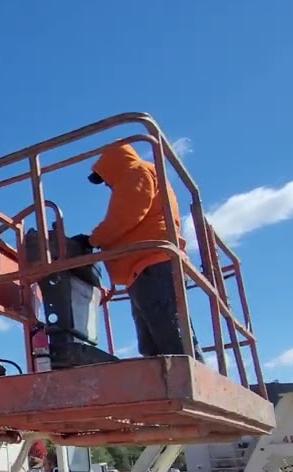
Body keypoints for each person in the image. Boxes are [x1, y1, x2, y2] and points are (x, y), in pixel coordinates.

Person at [84, 143, 204, 362]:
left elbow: (125, 216)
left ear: (113, 166)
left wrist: (92, 240)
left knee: (170, 335)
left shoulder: (135, 172)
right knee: (154, 343)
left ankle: (192, 385)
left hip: (152, 264)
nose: (106, 185)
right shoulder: (138, 174)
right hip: (143, 269)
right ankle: (171, 387)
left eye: (104, 177)